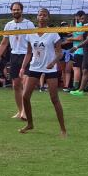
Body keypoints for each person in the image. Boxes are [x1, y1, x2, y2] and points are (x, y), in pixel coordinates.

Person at [19, 9, 67, 137]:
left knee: (54, 98)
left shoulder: (53, 33)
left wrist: (53, 62)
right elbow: (29, 52)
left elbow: (60, 52)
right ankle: (30, 124)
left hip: (49, 68)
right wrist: (23, 67)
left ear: (48, 18)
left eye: (44, 15)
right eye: (40, 15)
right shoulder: (31, 33)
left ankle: (63, 129)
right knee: (25, 96)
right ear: (37, 17)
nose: (42, 17)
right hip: (34, 67)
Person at [0, 2, 35, 118]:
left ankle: (25, 112)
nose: (16, 11)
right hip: (14, 56)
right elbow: (4, 43)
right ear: (11, 11)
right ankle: (20, 110)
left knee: (25, 84)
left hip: (27, 56)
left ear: (22, 10)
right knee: (16, 85)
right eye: (14, 9)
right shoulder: (8, 25)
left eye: (18, 9)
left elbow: (33, 43)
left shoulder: (29, 24)